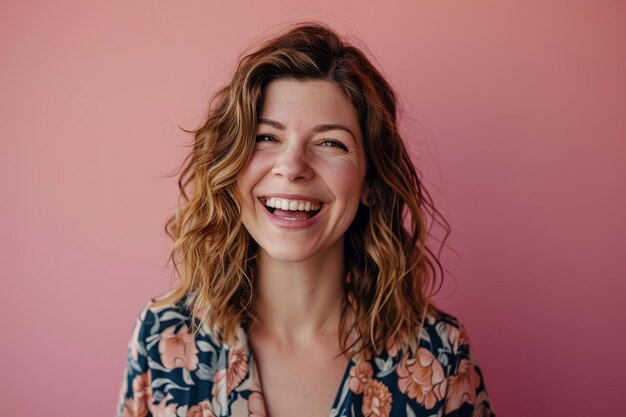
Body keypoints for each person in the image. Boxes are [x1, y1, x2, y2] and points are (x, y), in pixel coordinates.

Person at [116, 22, 495, 417]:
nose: (293, 167)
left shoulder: (440, 355)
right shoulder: (162, 338)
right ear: (230, 168)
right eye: (266, 137)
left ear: (370, 182)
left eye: (330, 142)